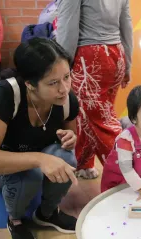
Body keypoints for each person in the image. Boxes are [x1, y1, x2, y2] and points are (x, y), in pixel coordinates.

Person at [0, 38, 80, 239]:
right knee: (28, 174)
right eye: (52, 82)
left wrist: (70, 137)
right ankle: (15, 221)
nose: (64, 88)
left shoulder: (66, 99)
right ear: (29, 84)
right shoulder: (6, 94)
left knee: (67, 159)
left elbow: (72, 133)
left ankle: (47, 214)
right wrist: (39, 159)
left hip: (35, 155)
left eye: (67, 77)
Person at [56, 0, 133, 179]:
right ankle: (83, 164)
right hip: (115, 54)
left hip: (90, 56)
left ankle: (130, 172)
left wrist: (61, 65)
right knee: (86, 115)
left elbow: (68, 29)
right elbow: (126, 26)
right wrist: (127, 63)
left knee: (100, 120)